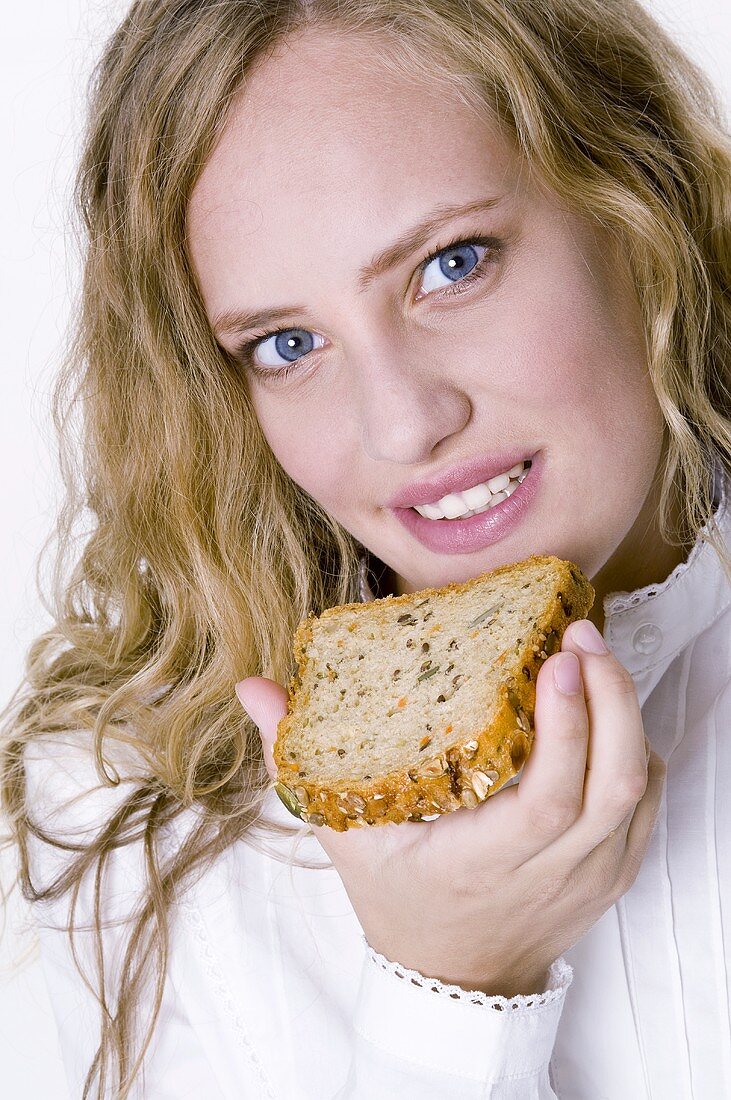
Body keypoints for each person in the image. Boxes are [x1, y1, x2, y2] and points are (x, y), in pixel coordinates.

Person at [1, 0, 729, 1097]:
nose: (400, 425)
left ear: (636, 205)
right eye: (286, 344)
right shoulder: (127, 820)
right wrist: (449, 989)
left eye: (451, 264)